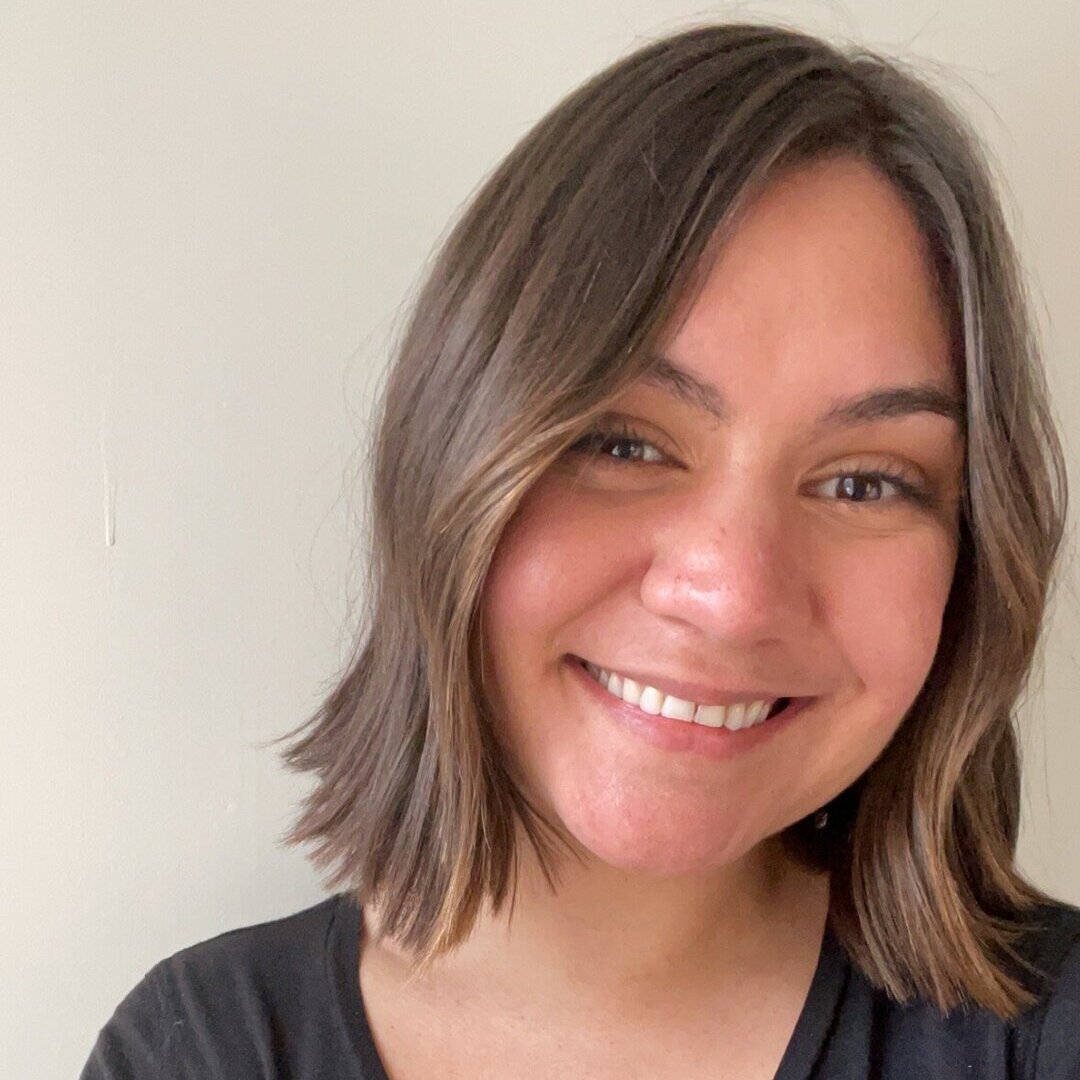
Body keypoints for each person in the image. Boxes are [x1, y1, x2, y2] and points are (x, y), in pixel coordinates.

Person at [81, 20, 1080, 1080]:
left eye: (864, 482)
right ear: (454, 463)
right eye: (624, 443)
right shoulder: (199, 1051)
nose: (732, 594)